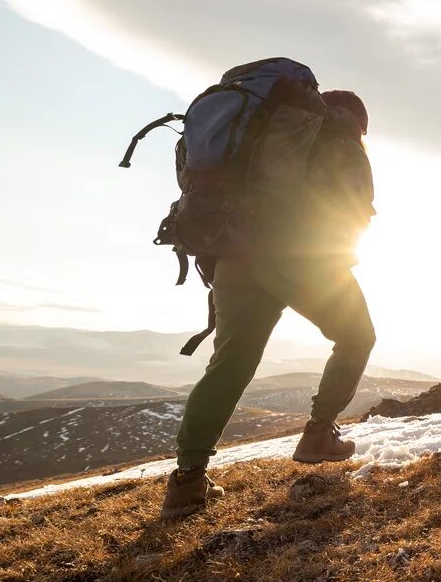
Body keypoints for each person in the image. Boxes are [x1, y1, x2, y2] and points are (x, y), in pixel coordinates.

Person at [160, 89, 378, 519]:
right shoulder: (338, 138)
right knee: (356, 336)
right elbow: (354, 210)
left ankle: (187, 479)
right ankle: (318, 435)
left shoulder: (259, 138)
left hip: (233, 257)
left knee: (230, 363)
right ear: (356, 121)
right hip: (301, 257)